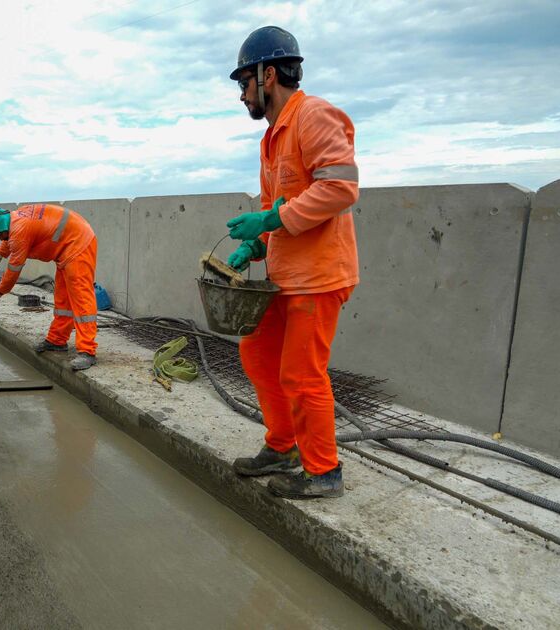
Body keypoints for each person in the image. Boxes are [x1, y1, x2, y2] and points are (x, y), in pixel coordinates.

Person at [223, 26, 360, 499]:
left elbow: (340, 189)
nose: (242, 95)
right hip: (286, 275)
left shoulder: (313, 116)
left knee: (303, 373)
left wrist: (271, 216)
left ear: (269, 74)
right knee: (257, 352)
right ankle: (282, 446)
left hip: (318, 276)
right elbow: (279, 211)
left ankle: (323, 472)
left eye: (245, 83)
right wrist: (256, 243)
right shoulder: (272, 139)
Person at [0, 200, 99, 370]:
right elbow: (10, 239)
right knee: (63, 300)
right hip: (67, 247)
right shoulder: (16, 219)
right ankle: (57, 340)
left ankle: (87, 351)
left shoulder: (18, 231)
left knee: (81, 297)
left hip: (78, 243)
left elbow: (13, 271)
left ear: (0, 228)